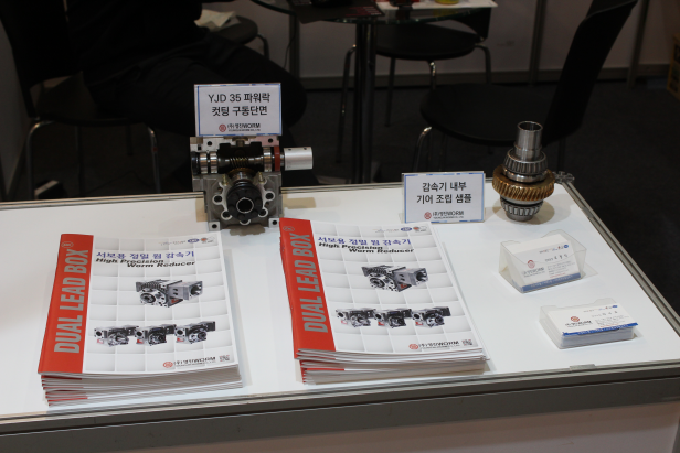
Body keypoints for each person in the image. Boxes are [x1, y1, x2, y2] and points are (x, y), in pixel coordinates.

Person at [66, 0, 316, 186]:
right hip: (124, 61)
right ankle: (307, 226)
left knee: (288, 97)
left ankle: (192, 176)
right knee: (253, 117)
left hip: (185, 39)